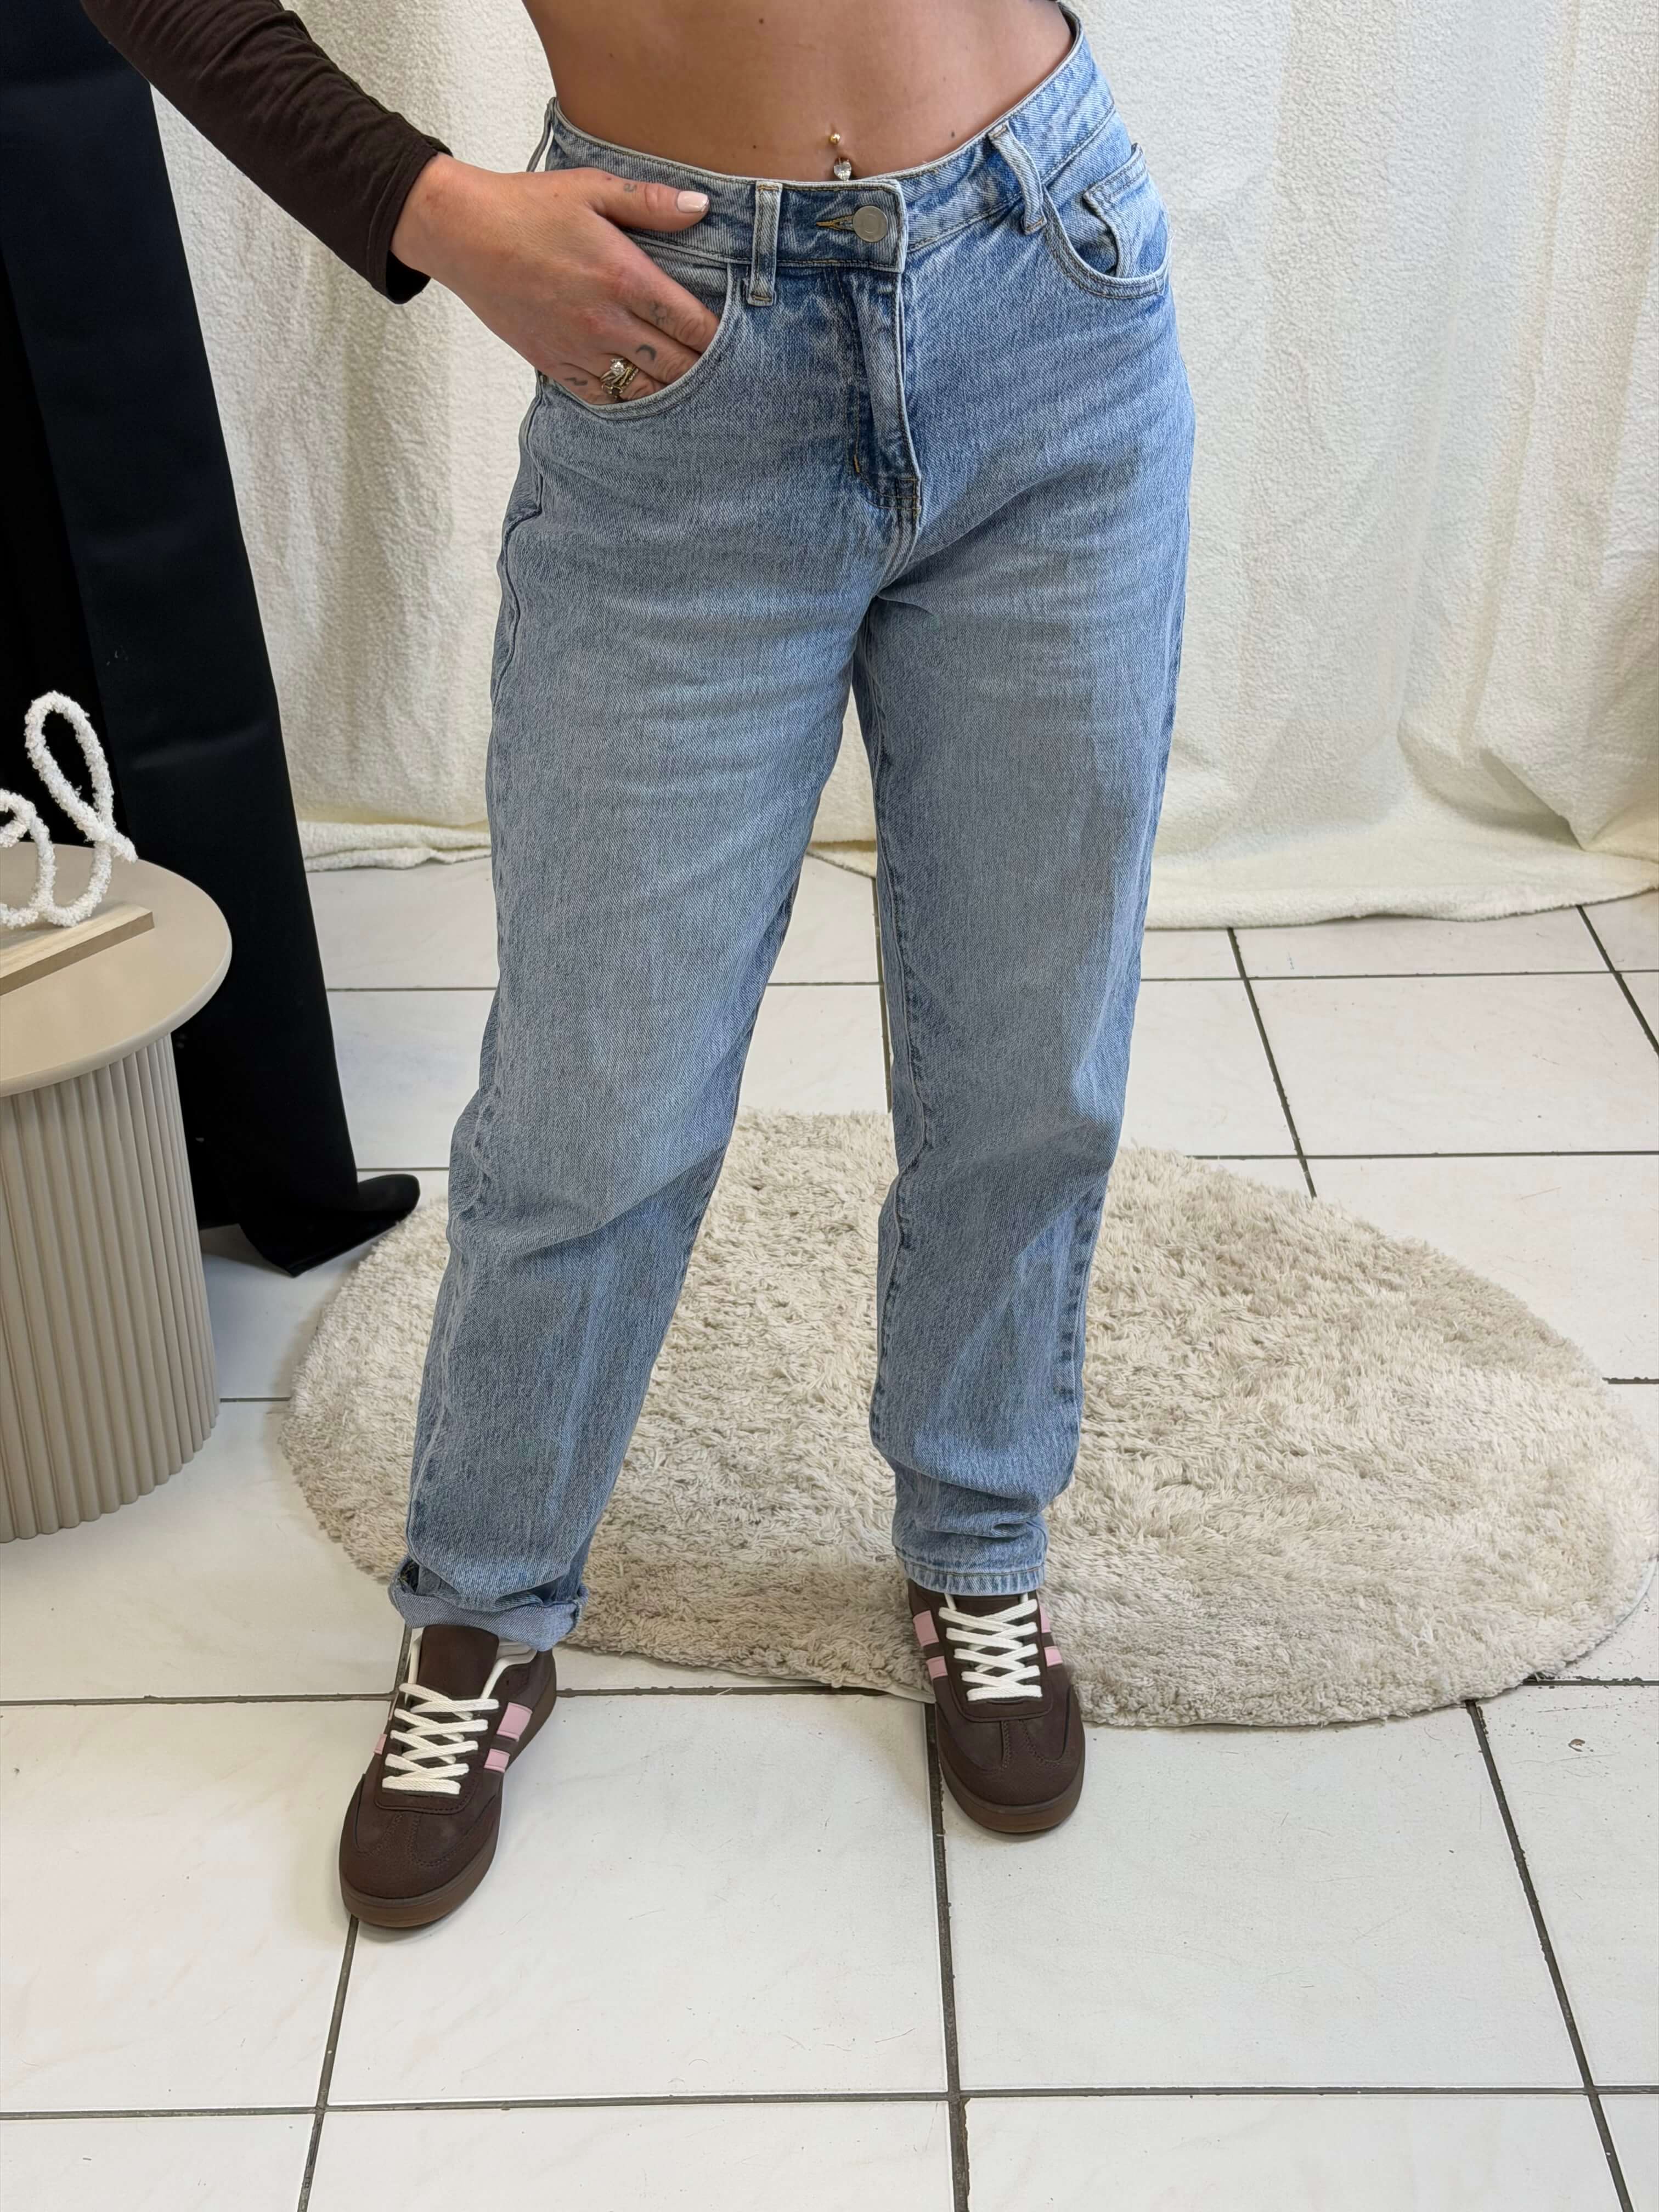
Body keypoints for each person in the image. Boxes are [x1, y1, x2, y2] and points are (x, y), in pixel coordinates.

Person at [82, 0, 1195, 1923]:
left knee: (1032, 1054)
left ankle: (977, 1537)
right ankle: (486, 1603)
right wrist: (428, 206)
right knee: (598, 1104)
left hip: (1047, 284)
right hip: (677, 344)